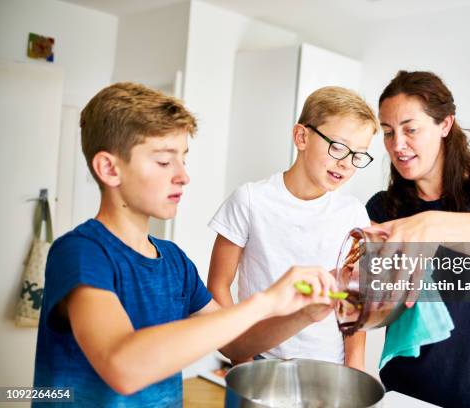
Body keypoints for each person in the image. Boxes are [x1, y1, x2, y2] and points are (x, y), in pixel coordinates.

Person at [33, 82, 337, 407]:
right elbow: (122, 366)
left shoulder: (175, 262)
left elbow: (236, 346)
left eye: (183, 159)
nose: (182, 176)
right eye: (164, 162)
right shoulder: (81, 252)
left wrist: (305, 313)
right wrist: (264, 302)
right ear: (109, 168)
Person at [366, 71, 470, 407]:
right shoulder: (383, 209)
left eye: (410, 129)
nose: (397, 145)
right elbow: (375, 311)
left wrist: (429, 226)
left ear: (445, 124)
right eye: (388, 133)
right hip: (406, 391)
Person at [207, 86, 378, 369]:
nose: (346, 164)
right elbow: (218, 286)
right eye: (338, 147)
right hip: (260, 360)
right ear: (301, 137)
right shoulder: (250, 200)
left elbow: (354, 299)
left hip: (328, 365)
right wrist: (243, 355)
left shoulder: (352, 213)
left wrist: (356, 369)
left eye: (358, 155)